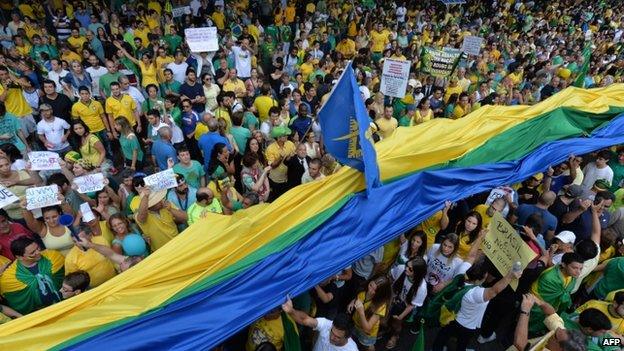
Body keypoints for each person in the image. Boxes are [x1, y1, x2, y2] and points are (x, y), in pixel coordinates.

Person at [432, 264, 522, 351]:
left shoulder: (463, 273)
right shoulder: (475, 293)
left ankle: (436, 348)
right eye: (485, 276)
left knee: (443, 335)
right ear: (479, 279)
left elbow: (471, 257)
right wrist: (510, 275)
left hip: (451, 316)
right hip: (466, 325)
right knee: (462, 343)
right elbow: (495, 290)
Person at [0, 237, 64, 314]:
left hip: (65, 303)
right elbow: (16, 300)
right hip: (39, 314)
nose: (38, 252)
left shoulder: (53, 257)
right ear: (19, 257)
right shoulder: (10, 277)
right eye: (32, 252)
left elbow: (66, 276)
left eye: (38, 248)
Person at [529, 252, 585, 335]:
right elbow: (562, 294)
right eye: (574, 268)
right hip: (537, 306)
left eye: (580, 269)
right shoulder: (549, 278)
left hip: (552, 306)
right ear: (563, 264)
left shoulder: (571, 276)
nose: (578, 272)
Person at [281, 298, 358, 351]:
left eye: (337, 337)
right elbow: (305, 319)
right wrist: (291, 311)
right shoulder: (327, 324)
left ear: (348, 337)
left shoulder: (351, 349)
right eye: (332, 332)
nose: (332, 337)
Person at [132, 187, 187, 251]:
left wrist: (171, 209)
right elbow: (141, 216)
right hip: (161, 251)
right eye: (158, 200)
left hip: (178, 244)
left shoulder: (166, 205)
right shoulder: (140, 215)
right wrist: (146, 196)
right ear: (151, 205)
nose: (162, 200)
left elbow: (185, 217)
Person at [347, 274, 392, 350]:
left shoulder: (380, 307)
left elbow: (367, 328)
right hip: (355, 324)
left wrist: (361, 312)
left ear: (381, 293)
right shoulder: (363, 290)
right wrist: (352, 302)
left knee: (367, 346)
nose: (370, 291)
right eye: (370, 285)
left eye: (375, 290)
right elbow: (358, 297)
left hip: (367, 334)